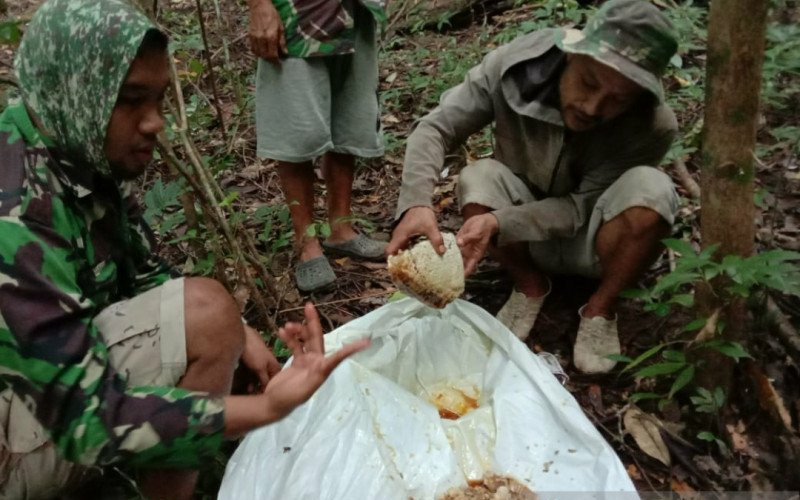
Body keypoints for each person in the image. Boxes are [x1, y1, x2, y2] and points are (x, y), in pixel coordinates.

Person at [0, 1, 368, 499]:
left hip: (44, 397)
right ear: (73, 88)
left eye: (159, 100)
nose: (156, 124)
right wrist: (266, 409)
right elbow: (81, 421)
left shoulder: (75, 144)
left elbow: (150, 275)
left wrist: (239, 334)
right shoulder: (16, 205)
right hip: (32, 434)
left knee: (210, 314)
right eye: (131, 99)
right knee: (208, 312)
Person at [387, 0, 680, 374]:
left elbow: (581, 208)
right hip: (521, 233)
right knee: (478, 177)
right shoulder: (512, 69)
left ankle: (601, 308)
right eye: (588, 82)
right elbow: (436, 128)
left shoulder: (652, 125)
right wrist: (416, 204)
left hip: (591, 238)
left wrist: (498, 223)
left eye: (617, 100)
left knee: (653, 190)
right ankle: (528, 284)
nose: (592, 107)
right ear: (571, 55)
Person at [247, 0, 388, 292]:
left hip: (356, 11)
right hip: (297, 14)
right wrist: (260, 5)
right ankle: (306, 243)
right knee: (298, 128)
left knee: (350, 117)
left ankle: (341, 229)